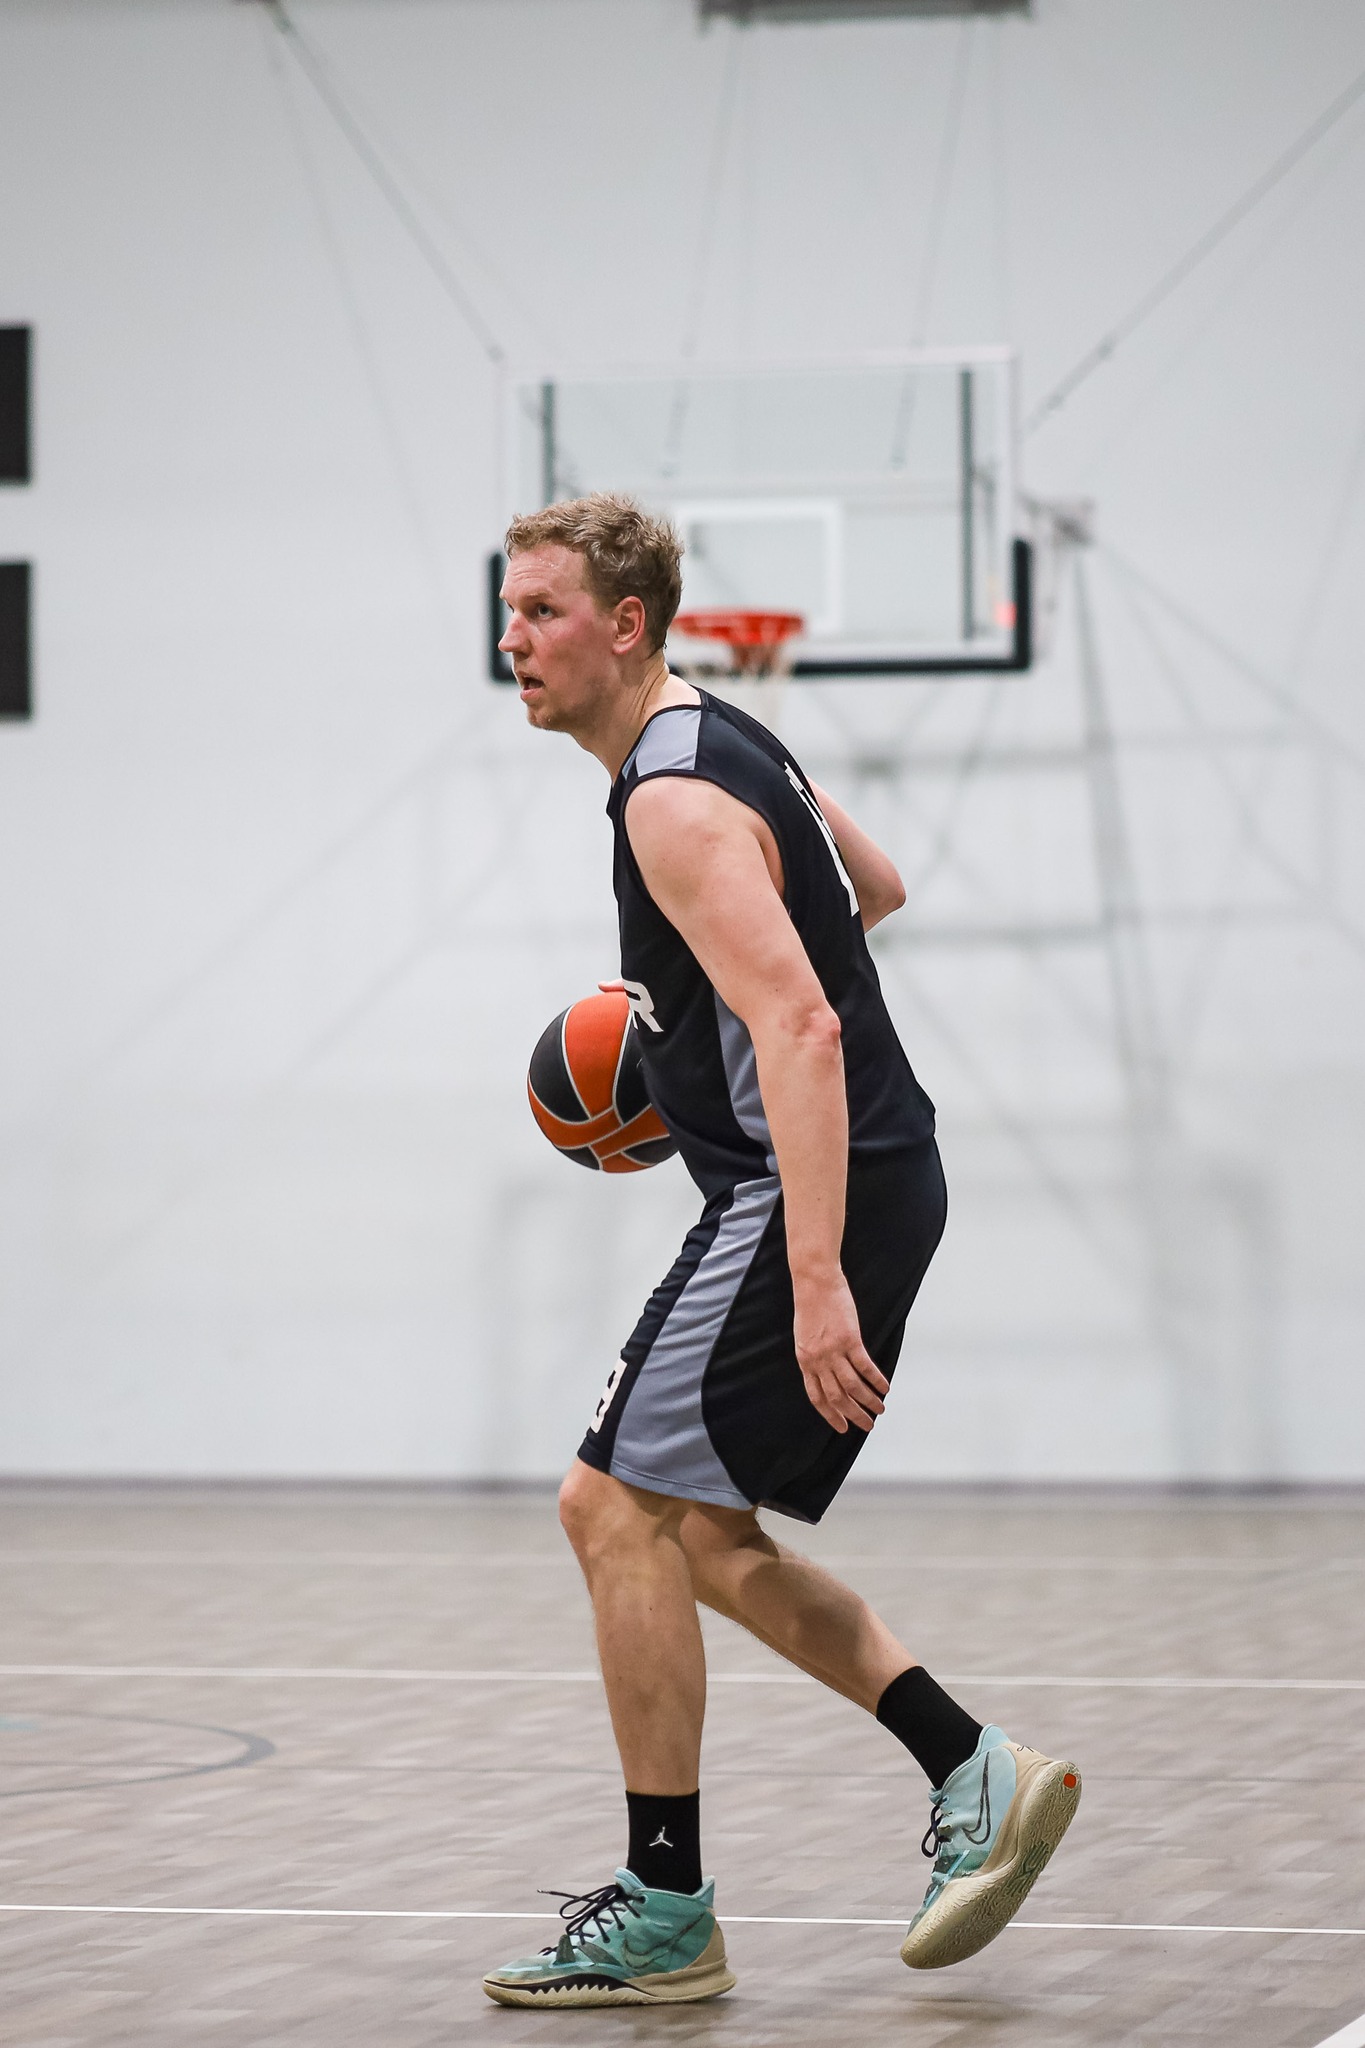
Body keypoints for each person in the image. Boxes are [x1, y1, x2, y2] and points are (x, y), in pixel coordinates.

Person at [482, 493, 1080, 2009]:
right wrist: (708, 1017)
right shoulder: (728, 738)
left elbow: (804, 1022)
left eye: (543, 612)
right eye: (508, 610)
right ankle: (972, 1766)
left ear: (626, 624)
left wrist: (813, 1275)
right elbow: (869, 890)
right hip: (868, 1172)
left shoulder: (666, 805)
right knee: (693, 1536)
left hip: (799, 1194)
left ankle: (664, 1912)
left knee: (607, 1508)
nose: (514, 639)